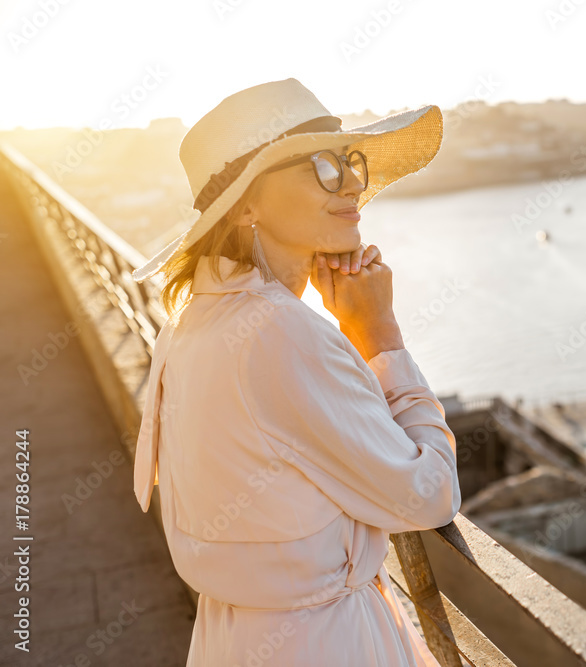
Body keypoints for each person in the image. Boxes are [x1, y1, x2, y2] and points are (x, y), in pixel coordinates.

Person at [130, 78, 458, 666]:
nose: (353, 184)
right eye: (323, 167)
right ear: (246, 203)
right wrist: (379, 336)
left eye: (351, 161)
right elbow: (430, 495)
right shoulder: (279, 333)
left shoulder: (191, 321)